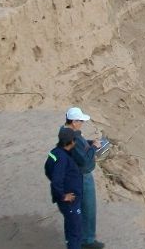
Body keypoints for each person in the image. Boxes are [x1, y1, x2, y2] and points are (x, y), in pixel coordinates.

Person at [62, 107, 105, 249]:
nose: (82, 123)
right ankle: (87, 241)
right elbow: (84, 160)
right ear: (74, 122)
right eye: (81, 121)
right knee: (88, 208)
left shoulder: (67, 132)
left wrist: (90, 142)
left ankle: (81, 240)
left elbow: (79, 144)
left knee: (77, 210)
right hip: (81, 177)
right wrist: (94, 149)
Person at [45, 127, 83, 249]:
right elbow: (56, 180)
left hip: (67, 201)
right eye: (74, 140)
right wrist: (63, 195)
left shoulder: (55, 152)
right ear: (71, 142)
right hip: (69, 201)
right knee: (75, 232)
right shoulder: (62, 158)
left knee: (70, 226)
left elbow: (47, 170)